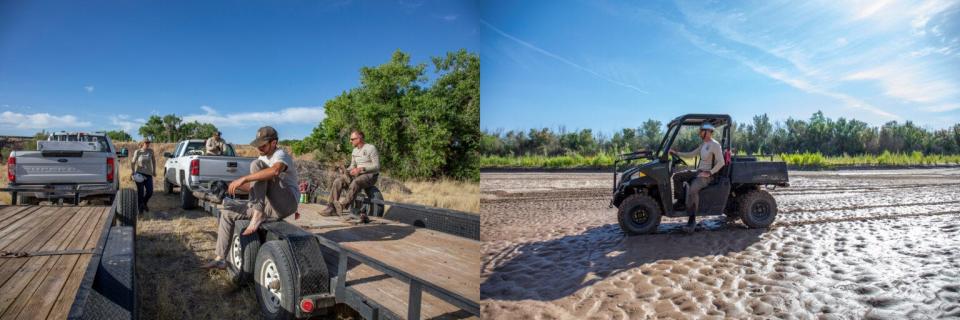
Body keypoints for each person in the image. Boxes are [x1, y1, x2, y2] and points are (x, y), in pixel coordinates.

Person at [201, 126, 299, 269]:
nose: (259, 148)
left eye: (263, 145)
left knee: (256, 165)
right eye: (257, 145)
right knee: (227, 213)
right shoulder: (263, 157)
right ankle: (220, 259)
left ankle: (257, 214)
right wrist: (230, 185)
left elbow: (275, 171)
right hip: (270, 207)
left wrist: (244, 179)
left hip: (286, 202)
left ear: (274, 143)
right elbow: (256, 186)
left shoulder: (281, 155)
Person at [669, 123, 725, 233]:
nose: (700, 133)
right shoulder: (704, 144)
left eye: (701, 131)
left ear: (708, 132)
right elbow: (691, 154)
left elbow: (721, 162)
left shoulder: (715, 145)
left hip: (708, 175)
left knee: (693, 189)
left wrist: (709, 172)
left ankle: (692, 220)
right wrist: (677, 153)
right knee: (677, 176)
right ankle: (680, 202)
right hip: (699, 172)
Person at [318, 130, 380, 219]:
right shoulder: (354, 151)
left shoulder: (371, 148)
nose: (350, 141)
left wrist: (361, 169)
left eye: (352, 139)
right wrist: (346, 170)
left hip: (370, 175)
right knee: (338, 181)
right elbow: (352, 166)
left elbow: (377, 166)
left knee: (356, 182)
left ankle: (342, 206)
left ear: (359, 138)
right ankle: (331, 207)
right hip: (357, 174)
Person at [130, 139, 156, 213]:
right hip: (139, 174)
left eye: (149, 142)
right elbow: (133, 162)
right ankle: (140, 209)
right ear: (143, 143)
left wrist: (154, 170)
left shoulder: (151, 151)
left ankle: (144, 203)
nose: (148, 144)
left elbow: (154, 161)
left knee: (150, 192)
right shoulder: (138, 152)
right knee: (140, 193)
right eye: (146, 142)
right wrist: (133, 171)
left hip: (148, 174)